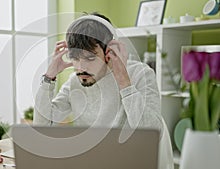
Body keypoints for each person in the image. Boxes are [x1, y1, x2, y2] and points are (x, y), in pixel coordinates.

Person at [33, 13, 174, 169]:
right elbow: (42, 125)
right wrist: (48, 78)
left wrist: (123, 82)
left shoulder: (140, 74)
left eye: (90, 58)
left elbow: (151, 133)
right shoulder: (75, 81)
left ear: (109, 51)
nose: (81, 67)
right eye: (75, 57)